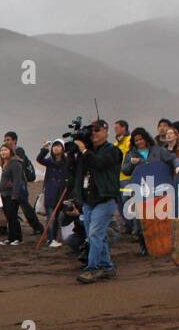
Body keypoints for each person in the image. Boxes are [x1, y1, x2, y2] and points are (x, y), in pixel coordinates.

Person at [71, 119, 121, 284]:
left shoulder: (113, 151)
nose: (94, 133)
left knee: (94, 234)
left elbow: (100, 164)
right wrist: (76, 149)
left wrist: (84, 150)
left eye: (98, 130)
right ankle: (107, 266)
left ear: (107, 132)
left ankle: (92, 269)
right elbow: (75, 167)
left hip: (105, 198)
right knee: (98, 236)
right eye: (91, 131)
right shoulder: (87, 152)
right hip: (89, 199)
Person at [2, 131, 44, 236]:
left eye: (8, 139)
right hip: (13, 187)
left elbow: (17, 168)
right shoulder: (9, 152)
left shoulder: (18, 151)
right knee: (14, 209)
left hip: (20, 186)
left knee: (25, 208)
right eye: (5, 140)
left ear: (14, 141)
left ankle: (37, 227)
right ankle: (13, 229)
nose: (6, 141)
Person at [36, 138, 74, 247]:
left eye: (59, 146)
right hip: (50, 193)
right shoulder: (49, 161)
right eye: (54, 146)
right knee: (51, 217)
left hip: (62, 193)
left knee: (57, 217)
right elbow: (39, 159)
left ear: (63, 148)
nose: (56, 148)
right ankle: (50, 239)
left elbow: (72, 172)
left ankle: (55, 238)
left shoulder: (67, 161)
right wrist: (44, 149)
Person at [0, 144, 28, 246]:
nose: (3, 152)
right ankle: (11, 238)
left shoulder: (15, 163)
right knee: (9, 217)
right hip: (3, 195)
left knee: (13, 217)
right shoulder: (3, 164)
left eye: (5, 150)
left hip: (11, 195)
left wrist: (15, 195)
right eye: (1, 150)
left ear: (11, 151)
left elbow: (17, 180)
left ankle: (18, 238)